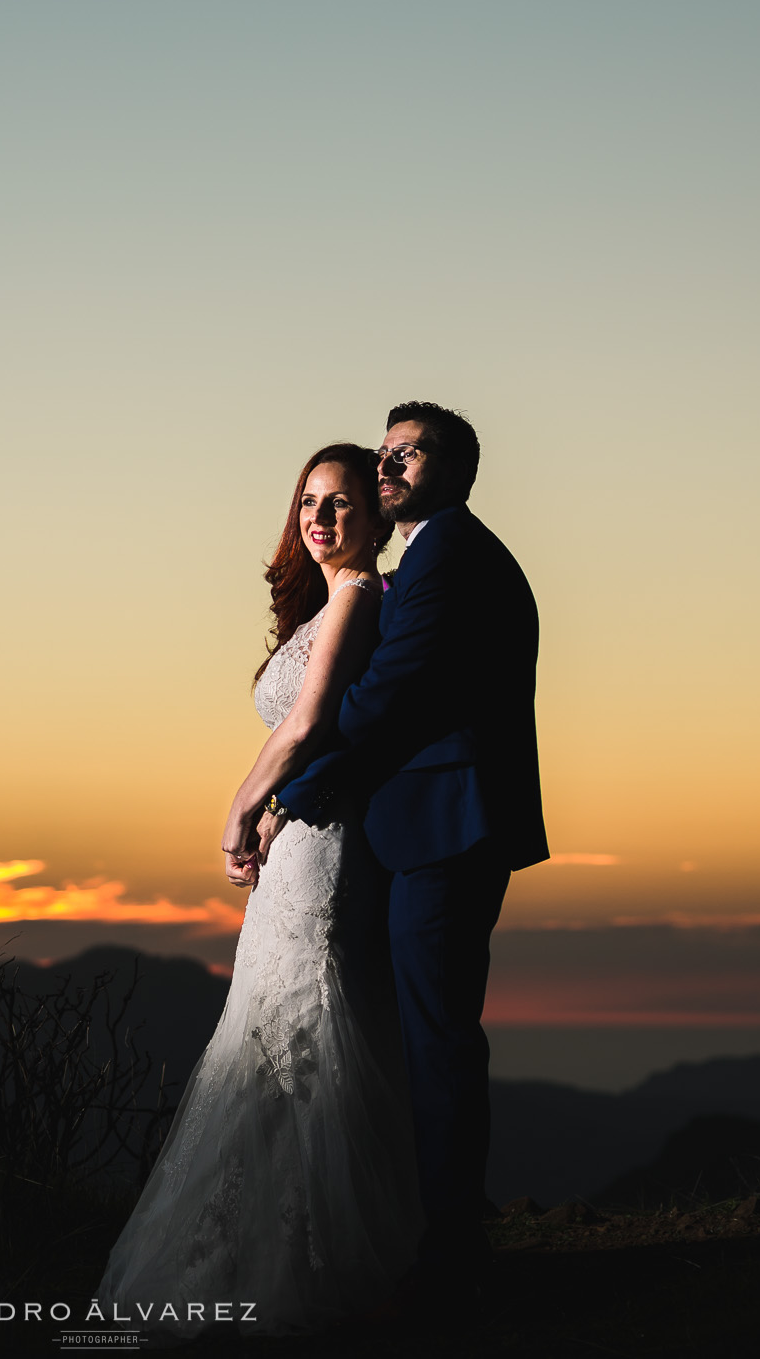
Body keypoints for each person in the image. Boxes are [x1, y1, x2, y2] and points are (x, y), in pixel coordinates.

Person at [93, 444, 422, 1337]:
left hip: (325, 854)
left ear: (377, 514)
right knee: (272, 1026)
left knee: (304, 1026)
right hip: (302, 836)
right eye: (310, 501)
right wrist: (277, 807)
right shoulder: (329, 603)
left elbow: (314, 722)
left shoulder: (361, 597)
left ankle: (316, 1264)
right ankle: (272, 1247)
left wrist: (240, 806)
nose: (322, 518)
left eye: (344, 502)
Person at [269, 402, 548, 1300]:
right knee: (420, 1032)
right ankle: (429, 1226)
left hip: (446, 827)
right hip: (422, 825)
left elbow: (389, 697)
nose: (388, 466)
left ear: (456, 470)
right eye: (384, 451)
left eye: (408, 454)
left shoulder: (448, 560)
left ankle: (452, 1249)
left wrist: (293, 793)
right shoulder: (427, 559)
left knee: (438, 1038)